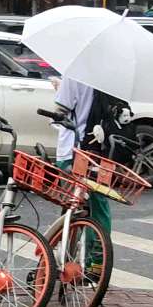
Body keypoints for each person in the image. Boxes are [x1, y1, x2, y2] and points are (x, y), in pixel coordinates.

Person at [52, 76, 111, 237]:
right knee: (99, 204)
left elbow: (59, 112)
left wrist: (60, 89)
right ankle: (99, 249)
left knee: (72, 204)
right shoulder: (112, 75)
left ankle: (69, 247)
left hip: (74, 148)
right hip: (102, 150)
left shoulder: (74, 74)